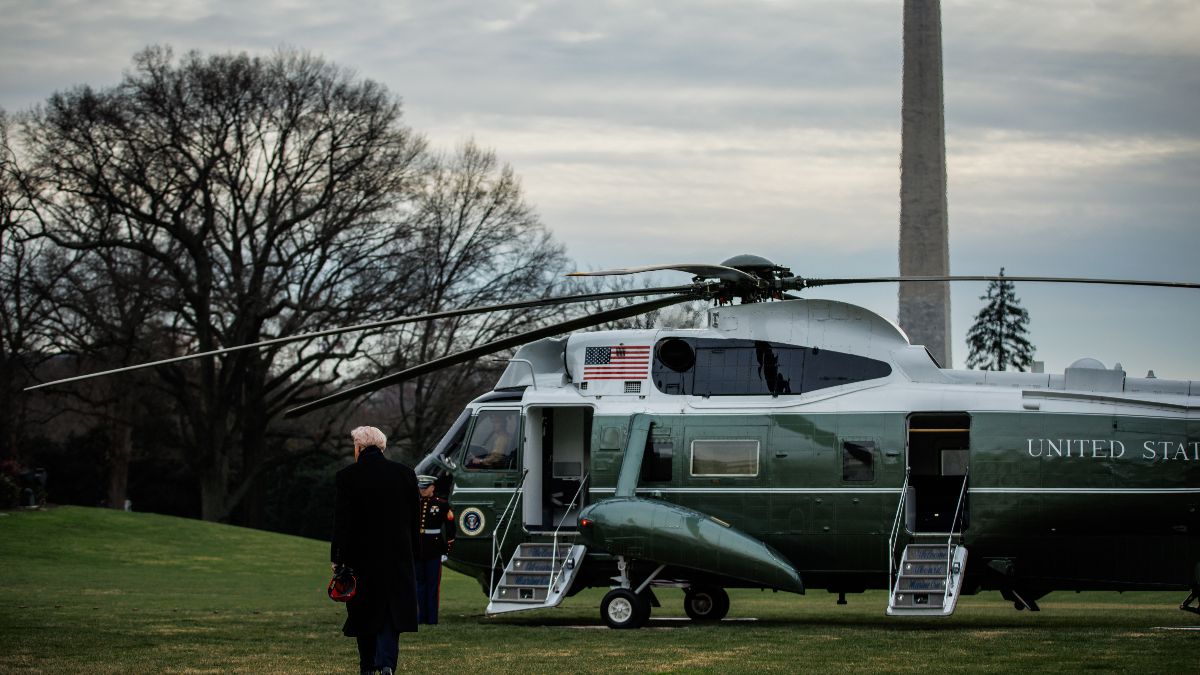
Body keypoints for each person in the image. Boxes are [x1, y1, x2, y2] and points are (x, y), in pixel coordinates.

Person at [331, 426, 420, 675]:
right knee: (392, 614)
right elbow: (414, 520)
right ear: (382, 447)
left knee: (363, 612)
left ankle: (368, 665)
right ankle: (387, 663)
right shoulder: (406, 474)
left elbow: (342, 522)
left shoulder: (347, 476)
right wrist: (415, 551)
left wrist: (337, 558)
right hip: (397, 557)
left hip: (361, 558)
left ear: (359, 447)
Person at [414, 475, 456, 624]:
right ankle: (421, 617)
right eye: (421, 488)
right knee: (419, 584)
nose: (422, 491)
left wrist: (446, 550)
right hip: (417, 550)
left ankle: (432, 619)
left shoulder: (442, 505)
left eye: (425, 488)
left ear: (432, 487)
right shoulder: (413, 504)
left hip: (434, 549)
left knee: (432, 585)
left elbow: (451, 529)